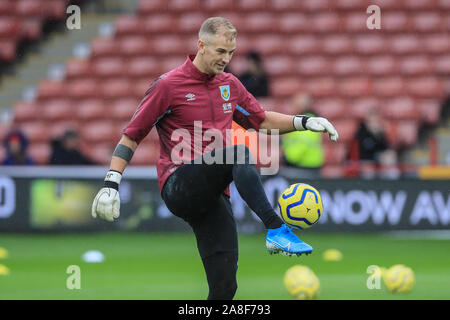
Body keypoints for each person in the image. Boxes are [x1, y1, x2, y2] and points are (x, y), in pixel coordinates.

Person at [91, 17, 339, 300]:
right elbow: (131, 136)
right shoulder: (168, 85)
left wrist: (304, 122)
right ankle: (275, 228)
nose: (226, 59)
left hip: (212, 194)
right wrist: (111, 183)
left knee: (225, 289)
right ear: (201, 45)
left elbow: (260, 121)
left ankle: (270, 235)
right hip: (179, 183)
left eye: (231, 53)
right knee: (239, 152)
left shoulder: (230, 85)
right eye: (220, 51)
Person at [281, 93, 324, 177]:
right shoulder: (302, 121)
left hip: (305, 167)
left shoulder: (308, 122)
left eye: (295, 104)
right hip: (307, 166)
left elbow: (301, 146)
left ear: (302, 106)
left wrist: (285, 158)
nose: (293, 107)